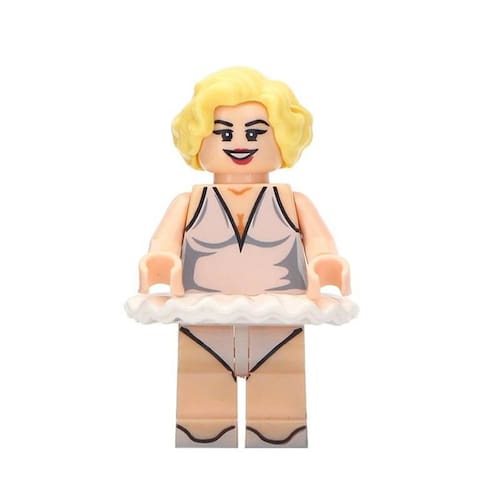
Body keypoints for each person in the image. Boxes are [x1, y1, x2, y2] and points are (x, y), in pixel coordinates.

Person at [127, 67, 357, 447]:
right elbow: (163, 245)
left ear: (282, 138)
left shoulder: (293, 202)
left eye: (254, 133)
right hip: (202, 307)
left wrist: (325, 263)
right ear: (198, 139)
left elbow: (320, 244)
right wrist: (161, 261)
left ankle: (278, 438)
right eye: (223, 133)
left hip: (281, 308)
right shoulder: (189, 203)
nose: (238, 143)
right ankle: (203, 438)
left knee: (279, 376)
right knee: (202, 375)